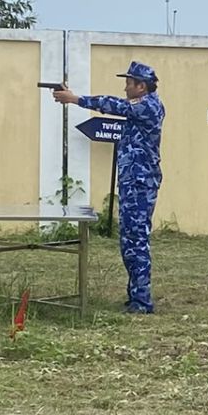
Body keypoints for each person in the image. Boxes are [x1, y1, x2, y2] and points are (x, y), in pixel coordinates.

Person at [53, 61, 164, 313]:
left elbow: (113, 105)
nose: (125, 88)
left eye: (129, 83)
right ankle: (136, 294)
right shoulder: (142, 105)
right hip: (134, 181)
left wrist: (75, 99)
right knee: (129, 239)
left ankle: (142, 300)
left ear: (141, 86)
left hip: (140, 182)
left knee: (136, 240)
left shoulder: (148, 105)